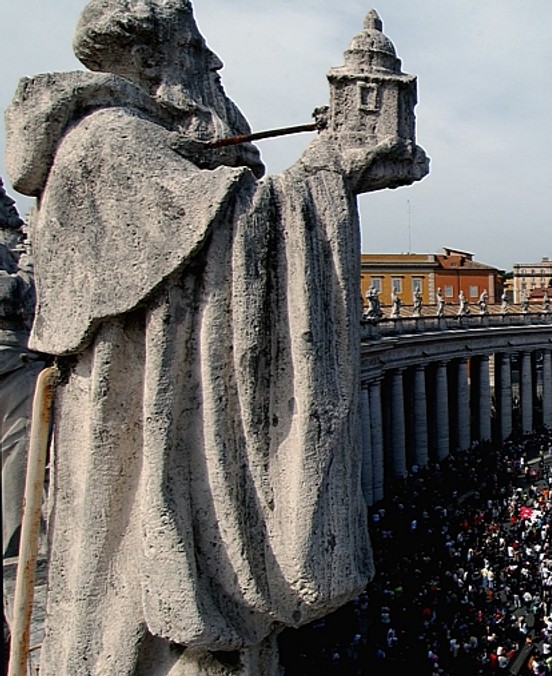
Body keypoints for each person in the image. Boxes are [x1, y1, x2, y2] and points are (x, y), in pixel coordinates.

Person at [4, 1, 427, 673]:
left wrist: (326, 169)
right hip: (145, 442)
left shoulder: (147, 142)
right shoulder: (107, 141)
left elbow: (222, 218)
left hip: (167, 423)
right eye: (198, 50)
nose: (216, 63)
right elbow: (229, 238)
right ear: (145, 58)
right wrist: (330, 170)